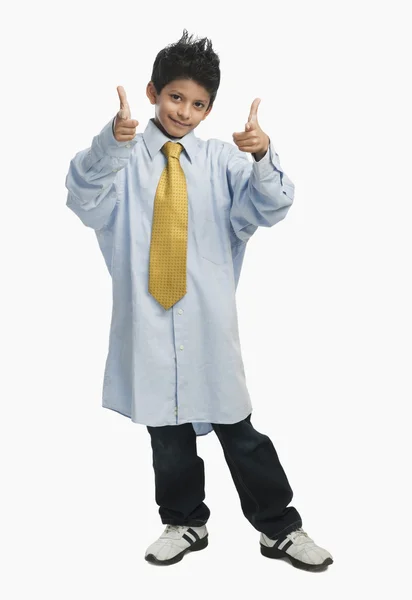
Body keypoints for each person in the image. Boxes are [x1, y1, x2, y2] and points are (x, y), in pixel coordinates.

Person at [65, 29, 333, 571]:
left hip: (208, 324)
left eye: (198, 103)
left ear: (210, 108)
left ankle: (278, 527)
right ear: (152, 92)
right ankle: (184, 521)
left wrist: (261, 156)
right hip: (148, 323)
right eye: (175, 98)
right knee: (167, 434)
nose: (184, 112)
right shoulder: (121, 162)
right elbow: (82, 194)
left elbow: (273, 204)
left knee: (240, 430)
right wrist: (109, 142)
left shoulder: (219, 163)